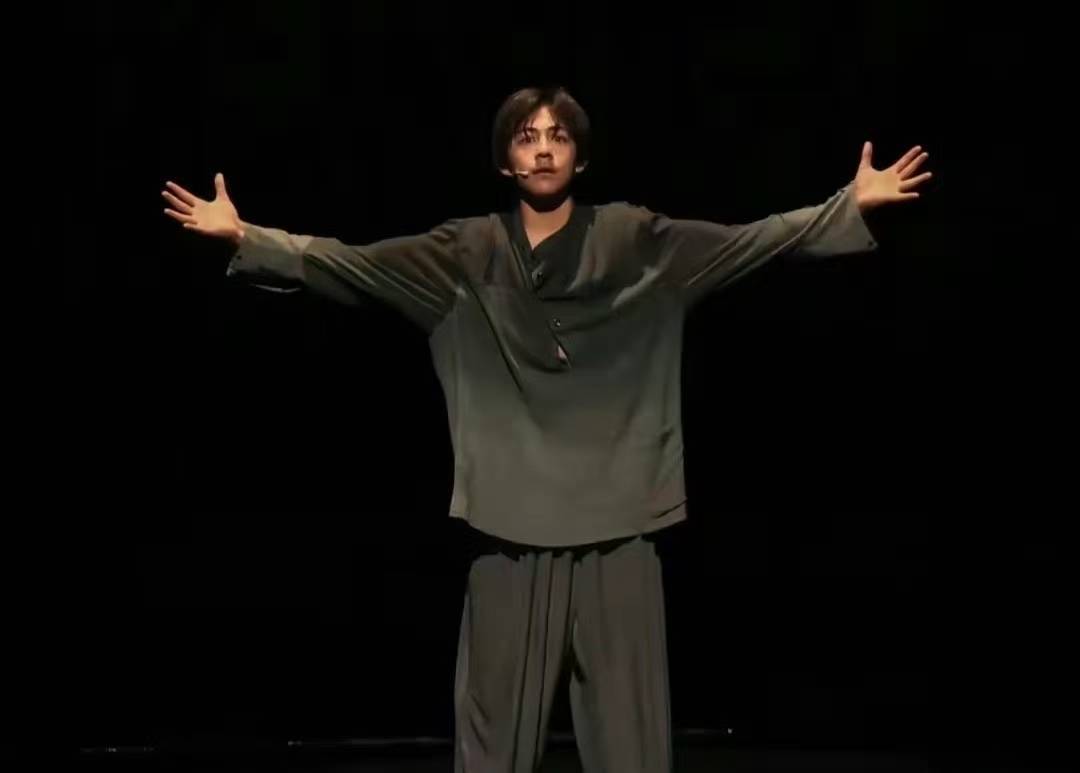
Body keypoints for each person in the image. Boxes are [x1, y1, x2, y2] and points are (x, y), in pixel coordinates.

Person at [163, 85, 931, 772]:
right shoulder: (464, 254)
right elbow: (345, 263)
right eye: (526, 135)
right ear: (505, 159)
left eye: (557, 135)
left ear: (579, 156)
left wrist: (847, 205)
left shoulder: (637, 242)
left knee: (632, 744)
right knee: (492, 740)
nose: (541, 148)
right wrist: (246, 236)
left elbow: (751, 241)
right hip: (510, 528)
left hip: (620, 525)